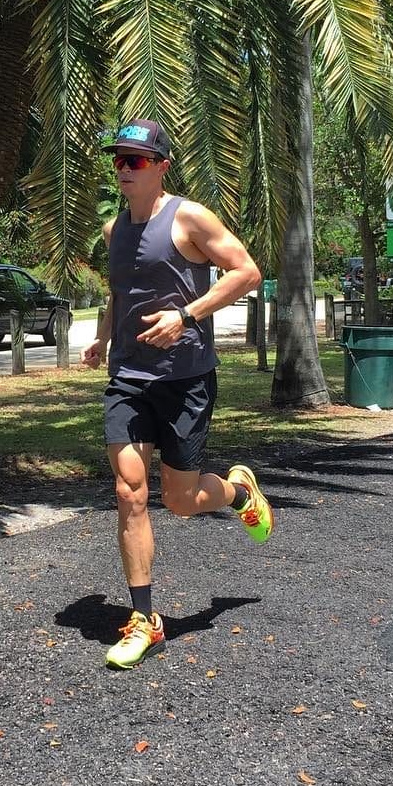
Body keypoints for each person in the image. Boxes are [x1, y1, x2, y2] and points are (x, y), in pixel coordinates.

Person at [81, 119, 275, 669]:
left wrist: (186, 315)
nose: (123, 168)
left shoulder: (189, 217)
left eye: (135, 161)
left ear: (161, 165)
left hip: (185, 378)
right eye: (118, 159)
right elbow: (120, 292)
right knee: (129, 492)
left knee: (182, 501)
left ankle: (237, 493)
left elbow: (247, 271)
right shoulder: (114, 231)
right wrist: (102, 337)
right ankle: (146, 619)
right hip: (129, 378)